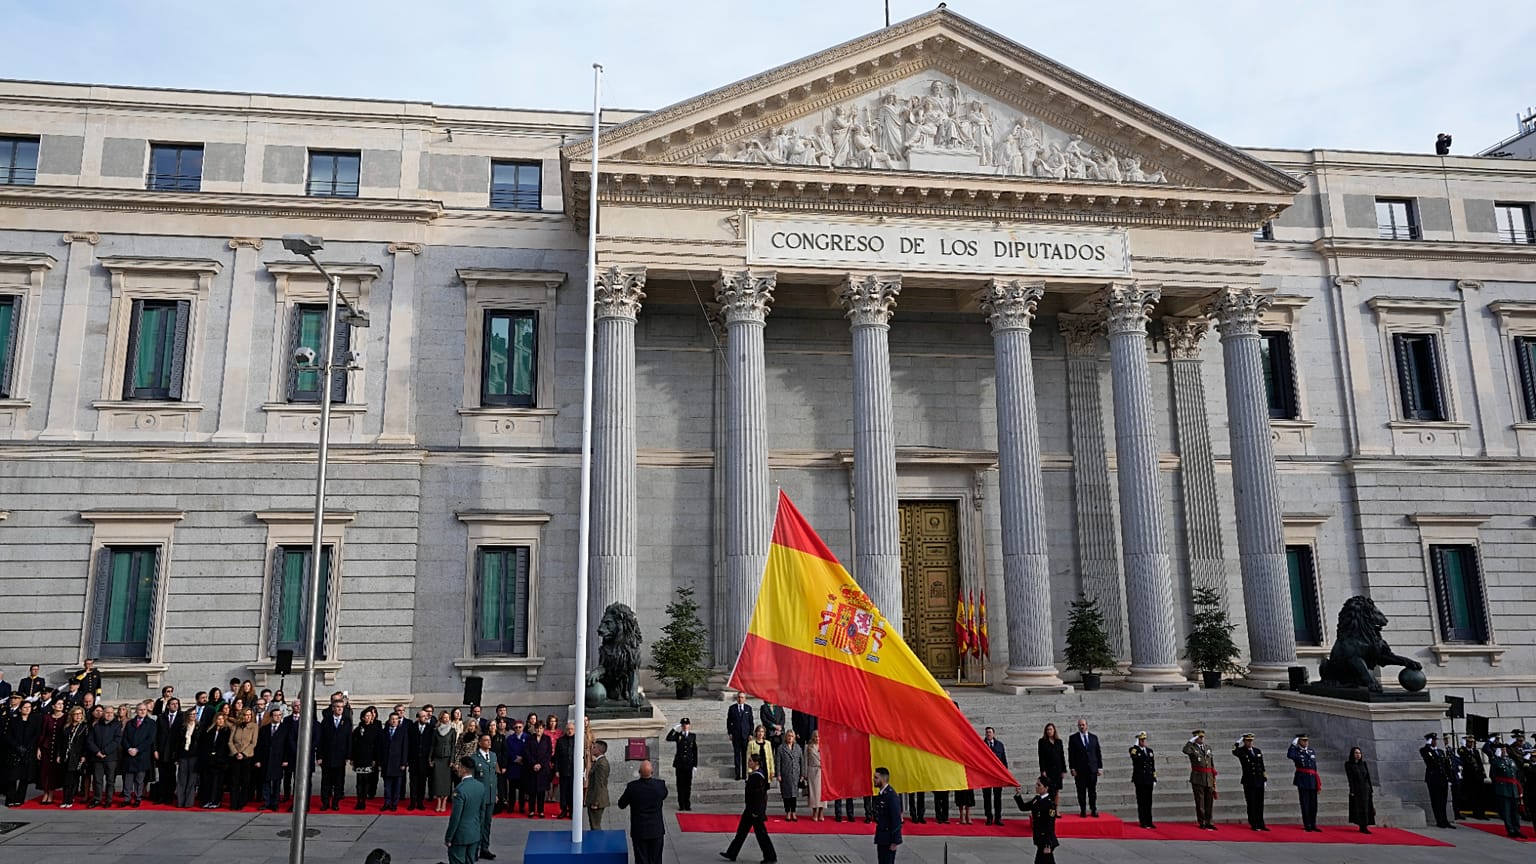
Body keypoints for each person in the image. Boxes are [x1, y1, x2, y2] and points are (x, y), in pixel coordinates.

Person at [721, 752, 777, 863]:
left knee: (761, 834)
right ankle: (732, 853)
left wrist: (757, 811)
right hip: (750, 809)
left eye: (751, 761)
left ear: (756, 763)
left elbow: (760, 796)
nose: (748, 762)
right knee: (741, 831)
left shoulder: (757, 777)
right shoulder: (755, 774)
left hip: (755, 811)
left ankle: (770, 857)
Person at [618, 759, 668, 864]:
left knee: (641, 859)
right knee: (656, 859)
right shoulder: (660, 785)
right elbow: (664, 795)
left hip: (639, 829)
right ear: (652, 772)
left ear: (639, 772)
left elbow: (621, 804)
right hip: (656, 829)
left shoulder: (632, 787)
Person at [445, 757, 486, 864]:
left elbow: (456, 817)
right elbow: (482, 812)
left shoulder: (460, 790)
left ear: (464, 769)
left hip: (460, 835)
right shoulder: (480, 786)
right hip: (474, 833)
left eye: (459, 766)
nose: (457, 768)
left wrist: (449, 837)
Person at [316, 697, 352, 811]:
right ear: (333, 708)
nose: (339, 709)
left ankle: (336, 802)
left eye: (341, 707)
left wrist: (348, 755)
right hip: (327, 756)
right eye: (337, 707)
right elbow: (321, 740)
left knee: (338, 781)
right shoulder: (326, 721)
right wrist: (319, 756)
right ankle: (325, 802)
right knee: (326, 781)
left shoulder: (347, 721)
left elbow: (349, 740)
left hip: (340, 757)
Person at [257, 706, 296, 811]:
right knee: (265, 781)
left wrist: (286, 759)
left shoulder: (285, 729)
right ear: (271, 717)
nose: (278, 717)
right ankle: (266, 801)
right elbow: (259, 746)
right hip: (266, 759)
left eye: (280, 715)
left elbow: (288, 745)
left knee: (276, 782)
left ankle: (275, 803)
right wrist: (258, 760)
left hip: (278, 759)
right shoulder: (264, 729)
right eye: (275, 715)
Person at [3, 699, 39, 806]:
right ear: (20, 709)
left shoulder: (34, 720)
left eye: (29, 707)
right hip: (15, 751)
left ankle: (20, 798)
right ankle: (10, 799)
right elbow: (8, 735)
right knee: (12, 777)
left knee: (24, 777)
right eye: (25, 707)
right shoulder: (14, 720)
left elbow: (35, 735)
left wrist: (27, 747)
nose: (28, 709)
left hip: (28, 751)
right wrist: (17, 747)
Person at [88, 701, 123, 807]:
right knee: (97, 780)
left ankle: (108, 800)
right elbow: (90, 740)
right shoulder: (96, 725)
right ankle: (97, 799)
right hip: (97, 757)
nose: (109, 714)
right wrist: (97, 752)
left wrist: (104, 752)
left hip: (111, 757)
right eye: (107, 712)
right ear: (103, 713)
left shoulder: (117, 725)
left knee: (110, 780)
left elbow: (116, 741)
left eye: (111, 713)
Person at [1419, 731, 1456, 829]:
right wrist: (1428, 745)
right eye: (1433, 740)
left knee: (1443, 801)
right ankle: (1439, 820)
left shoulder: (1440, 752)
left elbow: (1446, 766)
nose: (1435, 742)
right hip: (1433, 779)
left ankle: (1445, 820)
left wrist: (1450, 778)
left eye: (1435, 740)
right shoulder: (1425, 750)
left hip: (1443, 779)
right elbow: (1426, 757)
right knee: (1436, 801)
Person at [1182, 729, 1217, 831]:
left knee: (1209, 801)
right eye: (1199, 737)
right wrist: (1190, 741)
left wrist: (1213, 775)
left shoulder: (1208, 748)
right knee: (1200, 801)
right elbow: (1185, 750)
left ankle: (1209, 821)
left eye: (1202, 737)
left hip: (1208, 777)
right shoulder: (1192, 748)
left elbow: (1211, 763)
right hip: (1198, 778)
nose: (1201, 739)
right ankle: (1202, 822)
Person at [1489, 744, 1526, 838]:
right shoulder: (1496, 762)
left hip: (1513, 789)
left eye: (1505, 750)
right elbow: (1493, 774)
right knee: (1507, 811)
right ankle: (1510, 829)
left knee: (1515, 811)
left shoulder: (1511, 761)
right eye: (1502, 750)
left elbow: (1516, 773)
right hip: (1504, 789)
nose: (1504, 751)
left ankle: (1517, 829)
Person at [1068, 717, 1102, 818]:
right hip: (1080, 770)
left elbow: (1098, 753)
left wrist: (1100, 767)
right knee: (1081, 791)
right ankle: (1083, 809)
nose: (1081, 727)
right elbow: (1071, 754)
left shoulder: (1093, 738)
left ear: (1087, 725)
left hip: (1092, 769)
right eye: (1080, 725)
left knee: (1092, 791)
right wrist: (1072, 768)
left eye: (1083, 725)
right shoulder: (1073, 738)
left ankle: (1093, 809)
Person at [1232, 732, 1268, 831]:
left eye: (1251, 741)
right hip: (1249, 781)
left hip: (1259, 780)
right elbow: (1234, 751)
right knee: (1251, 803)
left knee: (1260, 803)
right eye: (1247, 741)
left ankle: (1261, 823)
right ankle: (1254, 823)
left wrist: (1264, 778)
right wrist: (1237, 742)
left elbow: (1262, 765)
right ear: (1244, 741)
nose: (1250, 743)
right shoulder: (1242, 751)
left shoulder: (1257, 751)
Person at [54, 706, 88, 808]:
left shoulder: (84, 727)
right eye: (76, 714)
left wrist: (84, 755)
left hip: (77, 756)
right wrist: (59, 754)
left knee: (73, 778)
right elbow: (60, 742)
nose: (78, 716)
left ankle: (69, 799)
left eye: (80, 714)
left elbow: (86, 743)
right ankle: (65, 799)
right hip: (66, 756)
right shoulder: (66, 727)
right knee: (65, 779)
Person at [1286, 734, 1321, 832]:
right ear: (1299, 741)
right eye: (1303, 740)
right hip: (1303, 779)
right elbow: (1290, 755)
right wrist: (1293, 745)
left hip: (1312, 780)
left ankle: (1313, 823)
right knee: (1305, 803)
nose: (1306, 742)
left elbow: (1314, 766)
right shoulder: (1296, 751)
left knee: (1313, 804)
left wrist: (1317, 781)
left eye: (1306, 740)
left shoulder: (1311, 751)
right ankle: (1307, 824)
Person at [471, 735, 498, 860]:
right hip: (480, 797)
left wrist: (496, 793)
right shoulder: (474, 758)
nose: (489, 742)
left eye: (489, 740)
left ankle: (484, 848)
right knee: (479, 823)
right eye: (486, 740)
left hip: (491, 796)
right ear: (480, 743)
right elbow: (472, 779)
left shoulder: (493, 756)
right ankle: (474, 849)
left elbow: (494, 776)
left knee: (487, 823)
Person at [349, 705, 382, 810]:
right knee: (359, 781)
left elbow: (377, 745)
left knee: (366, 781)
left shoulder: (375, 729)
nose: (368, 718)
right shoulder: (358, 729)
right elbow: (353, 744)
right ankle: (359, 800)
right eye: (366, 716)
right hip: (359, 759)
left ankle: (365, 799)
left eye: (369, 716)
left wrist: (375, 759)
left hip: (369, 759)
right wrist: (352, 758)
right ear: (362, 717)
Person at [198, 711, 232, 808]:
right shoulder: (209, 730)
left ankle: (215, 801)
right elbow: (204, 745)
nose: (220, 721)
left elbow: (225, 747)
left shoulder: (227, 731)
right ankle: (206, 800)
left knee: (217, 782)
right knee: (207, 781)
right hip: (208, 760)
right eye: (218, 719)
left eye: (222, 719)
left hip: (220, 761)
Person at [151, 695, 181, 804]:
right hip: (162, 751)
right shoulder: (161, 717)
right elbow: (155, 735)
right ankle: (162, 796)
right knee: (162, 775)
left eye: (177, 704)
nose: (175, 706)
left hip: (174, 751)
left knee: (172, 775)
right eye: (172, 704)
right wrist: (155, 750)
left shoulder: (181, 717)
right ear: (168, 706)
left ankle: (170, 796)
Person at [666, 716, 699, 812]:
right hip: (680, 764)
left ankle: (687, 804)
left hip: (689, 764)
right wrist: (674, 729)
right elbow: (668, 738)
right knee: (680, 785)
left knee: (688, 785)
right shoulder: (677, 735)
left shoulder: (692, 736)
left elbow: (695, 751)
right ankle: (681, 804)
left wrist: (695, 765)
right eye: (683, 725)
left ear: (689, 725)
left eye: (686, 724)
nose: (685, 726)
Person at [379, 711, 408, 812]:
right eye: (392, 719)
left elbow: (405, 748)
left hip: (397, 763)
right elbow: (380, 749)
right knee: (387, 786)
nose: (394, 721)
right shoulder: (384, 732)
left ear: (399, 721)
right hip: (386, 763)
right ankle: (387, 803)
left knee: (396, 786)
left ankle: (394, 804)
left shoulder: (402, 732)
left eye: (396, 719)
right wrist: (380, 763)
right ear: (389, 720)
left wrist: (404, 763)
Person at [872, 766, 902, 864]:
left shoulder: (891, 796)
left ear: (883, 779)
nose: (874, 780)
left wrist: (895, 841)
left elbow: (896, 819)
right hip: (882, 837)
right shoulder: (882, 794)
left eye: (876, 778)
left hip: (888, 838)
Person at [1026, 776, 1059, 864]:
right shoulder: (1036, 799)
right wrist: (1017, 795)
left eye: (1039, 785)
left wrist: (1047, 844)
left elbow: (1050, 825)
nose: (1036, 787)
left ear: (1046, 787)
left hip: (1045, 839)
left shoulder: (1050, 804)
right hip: (1039, 838)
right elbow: (1023, 807)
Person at [37, 699, 64, 804]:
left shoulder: (65, 717)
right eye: (58, 704)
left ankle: (51, 793)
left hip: (58, 748)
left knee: (54, 772)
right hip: (46, 748)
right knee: (44, 771)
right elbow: (43, 733)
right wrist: (39, 748)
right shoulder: (47, 717)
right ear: (53, 706)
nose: (60, 706)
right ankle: (45, 793)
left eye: (62, 704)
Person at [406, 708, 434, 811]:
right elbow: (408, 743)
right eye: (423, 716)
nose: (426, 718)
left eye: (427, 716)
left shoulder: (431, 728)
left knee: (422, 782)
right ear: (418, 718)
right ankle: (413, 802)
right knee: (413, 782)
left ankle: (420, 802)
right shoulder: (412, 728)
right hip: (413, 760)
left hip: (425, 761)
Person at [172, 709, 200, 808]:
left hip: (194, 756)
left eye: (194, 714)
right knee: (182, 778)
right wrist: (176, 757)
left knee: (192, 780)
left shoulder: (199, 727)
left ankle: (189, 802)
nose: (192, 716)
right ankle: (180, 801)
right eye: (191, 714)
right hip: (183, 755)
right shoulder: (182, 727)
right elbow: (177, 743)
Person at [526, 716, 554, 818]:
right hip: (532, 768)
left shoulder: (547, 739)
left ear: (543, 729)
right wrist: (534, 764)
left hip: (543, 769)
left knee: (541, 791)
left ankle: (541, 810)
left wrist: (541, 764)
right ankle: (531, 810)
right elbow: (527, 752)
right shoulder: (530, 739)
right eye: (537, 728)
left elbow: (548, 753)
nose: (539, 730)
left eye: (541, 728)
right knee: (532, 791)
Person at [430, 710, 456, 812]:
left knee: (446, 781)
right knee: (437, 781)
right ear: (441, 718)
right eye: (444, 717)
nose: (446, 719)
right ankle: (438, 801)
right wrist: (430, 758)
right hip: (438, 758)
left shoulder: (452, 730)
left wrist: (452, 759)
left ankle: (444, 800)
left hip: (447, 758)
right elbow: (432, 745)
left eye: (447, 717)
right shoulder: (436, 730)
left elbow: (453, 746)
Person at [1456, 734, 1488, 820]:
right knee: (1474, 795)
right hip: (1470, 776)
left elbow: (1480, 763)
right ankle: (1476, 812)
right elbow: (1466, 761)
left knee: (1481, 795)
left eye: (1473, 742)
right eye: (1470, 742)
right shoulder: (1463, 751)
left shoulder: (1475, 751)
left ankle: (1482, 813)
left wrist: (1483, 773)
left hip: (1478, 775)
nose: (1472, 744)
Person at [1128, 731, 1156, 829]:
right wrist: (1135, 746)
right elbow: (1133, 756)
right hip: (1140, 780)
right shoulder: (1134, 750)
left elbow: (1152, 766)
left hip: (1149, 779)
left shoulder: (1150, 751)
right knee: (1141, 801)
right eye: (1141, 740)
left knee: (1149, 801)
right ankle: (1143, 821)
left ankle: (1149, 821)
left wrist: (1154, 778)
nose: (1143, 741)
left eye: (1144, 739)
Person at [1345, 747, 1375, 834]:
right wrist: (1352, 790)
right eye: (1356, 753)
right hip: (1357, 789)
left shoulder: (1364, 764)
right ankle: (1362, 825)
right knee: (1360, 807)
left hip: (1366, 788)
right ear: (1352, 754)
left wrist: (1371, 789)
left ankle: (1365, 825)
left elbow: (1368, 777)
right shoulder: (1349, 764)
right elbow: (1350, 778)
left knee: (1367, 807)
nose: (1358, 755)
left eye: (1359, 753)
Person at [983, 726, 1008, 826]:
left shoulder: (1000, 745)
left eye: (990, 732)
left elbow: (1003, 760)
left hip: (997, 776)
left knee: (998, 797)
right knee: (987, 797)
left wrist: (1005, 773)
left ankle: (998, 818)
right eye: (987, 733)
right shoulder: (981, 744)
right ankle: (989, 817)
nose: (988, 734)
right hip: (986, 775)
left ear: (994, 733)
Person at [776, 729, 803, 821]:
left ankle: (794, 812)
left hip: (795, 774)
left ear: (794, 737)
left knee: (794, 795)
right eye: (788, 736)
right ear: (785, 737)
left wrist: (802, 774)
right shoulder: (781, 748)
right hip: (785, 774)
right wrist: (778, 774)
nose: (790, 738)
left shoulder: (798, 748)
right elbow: (778, 762)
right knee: (786, 795)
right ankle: (787, 812)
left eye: (791, 736)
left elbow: (801, 761)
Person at [727, 692, 754, 781]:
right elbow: (729, 722)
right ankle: (737, 774)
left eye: (742, 697)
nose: (740, 699)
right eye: (739, 697)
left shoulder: (748, 708)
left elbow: (751, 722)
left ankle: (744, 774)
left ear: (745, 699)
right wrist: (730, 733)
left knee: (745, 756)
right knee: (737, 756)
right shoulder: (732, 708)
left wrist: (750, 734)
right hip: (736, 735)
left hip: (745, 736)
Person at [1037, 723, 1065, 807]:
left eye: (1051, 729)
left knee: (1056, 790)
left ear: (1054, 730)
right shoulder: (1042, 742)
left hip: (1057, 769)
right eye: (1047, 729)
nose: (1049, 731)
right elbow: (1041, 757)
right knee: (1048, 790)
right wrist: (1043, 770)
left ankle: (1056, 810)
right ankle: (1048, 809)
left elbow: (1061, 756)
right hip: (1048, 770)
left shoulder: (1059, 742)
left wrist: (1063, 770)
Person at [503, 718, 527, 813]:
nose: (518, 729)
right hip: (513, 766)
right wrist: (514, 758)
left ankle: (522, 806)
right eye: (516, 727)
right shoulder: (510, 738)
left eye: (520, 727)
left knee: (522, 790)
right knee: (512, 789)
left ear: (523, 727)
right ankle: (511, 806)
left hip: (523, 767)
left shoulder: (527, 737)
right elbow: (508, 751)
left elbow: (528, 750)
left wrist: (522, 758)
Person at [587, 739, 611, 829]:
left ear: (599, 750)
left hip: (597, 799)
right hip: (595, 797)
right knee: (593, 824)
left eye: (594, 747)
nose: (592, 749)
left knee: (595, 825)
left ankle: (597, 842)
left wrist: (596, 802)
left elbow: (599, 784)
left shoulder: (601, 764)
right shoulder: (599, 762)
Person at [555, 720, 577, 818]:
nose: (570, 731)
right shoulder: (560, 741)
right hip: (563, 770)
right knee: (563, 791)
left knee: (573, 792)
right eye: (568, 729)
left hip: (574, 771)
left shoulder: (578, 740)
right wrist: (556, 770)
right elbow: (556, 757)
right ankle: (563, 810)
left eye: (572, 729)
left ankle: (572, 811)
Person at [805, 730, 824, 822]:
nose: (817, 738)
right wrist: (805, 774)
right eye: (816, 736)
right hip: (812, 771)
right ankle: (814, 812)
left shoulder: (824, 746)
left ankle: (821, 812)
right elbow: (805, 761)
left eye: (819, 736)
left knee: (822, 794)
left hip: (822, 771)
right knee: (814, 794)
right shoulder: (808, 747)